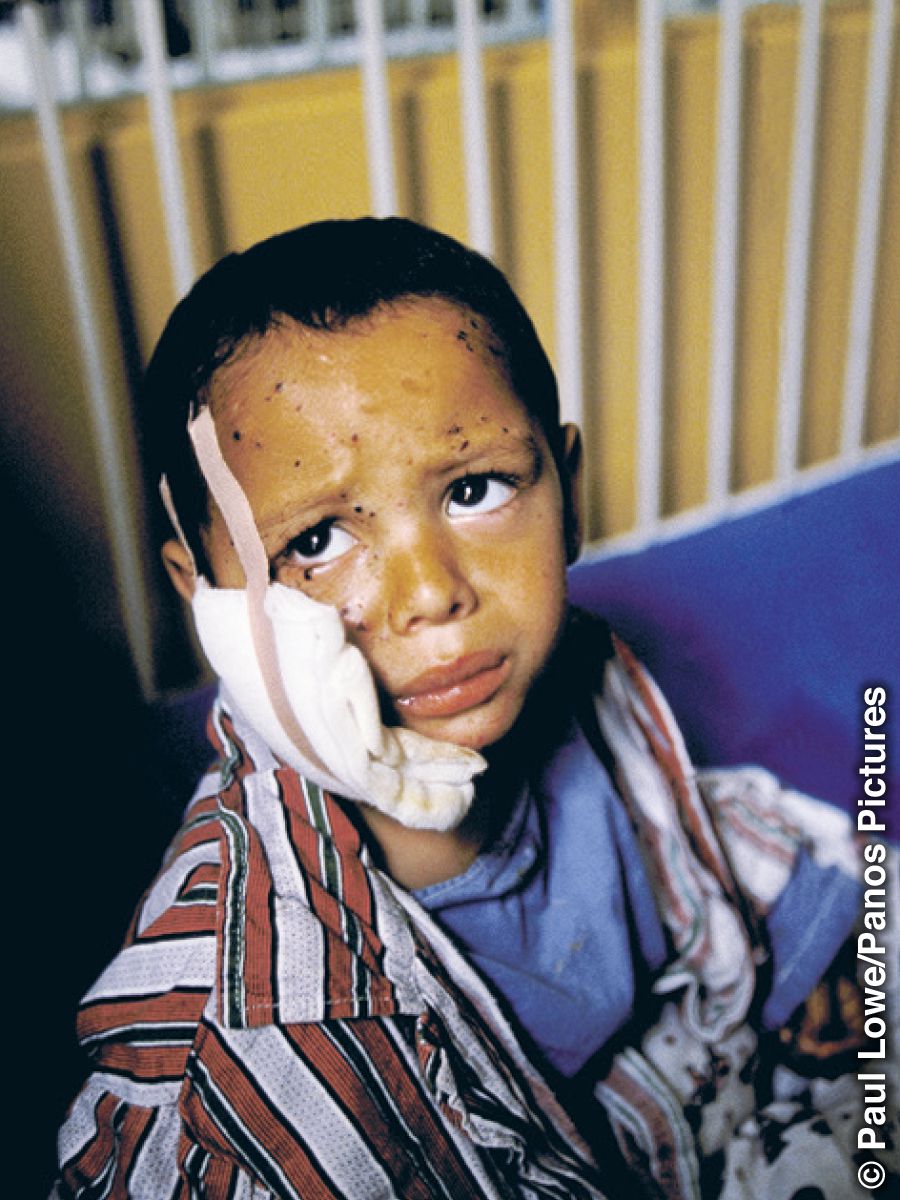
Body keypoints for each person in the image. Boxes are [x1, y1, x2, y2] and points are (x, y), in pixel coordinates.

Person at [53, 218, 895, 1199]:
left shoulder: (583, 680)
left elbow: (692, 841)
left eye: (476, 488)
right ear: (210, 605)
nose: (430, 593)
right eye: (317, 541)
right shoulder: (255, 1027)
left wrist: (806, 942)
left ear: (567, 494)